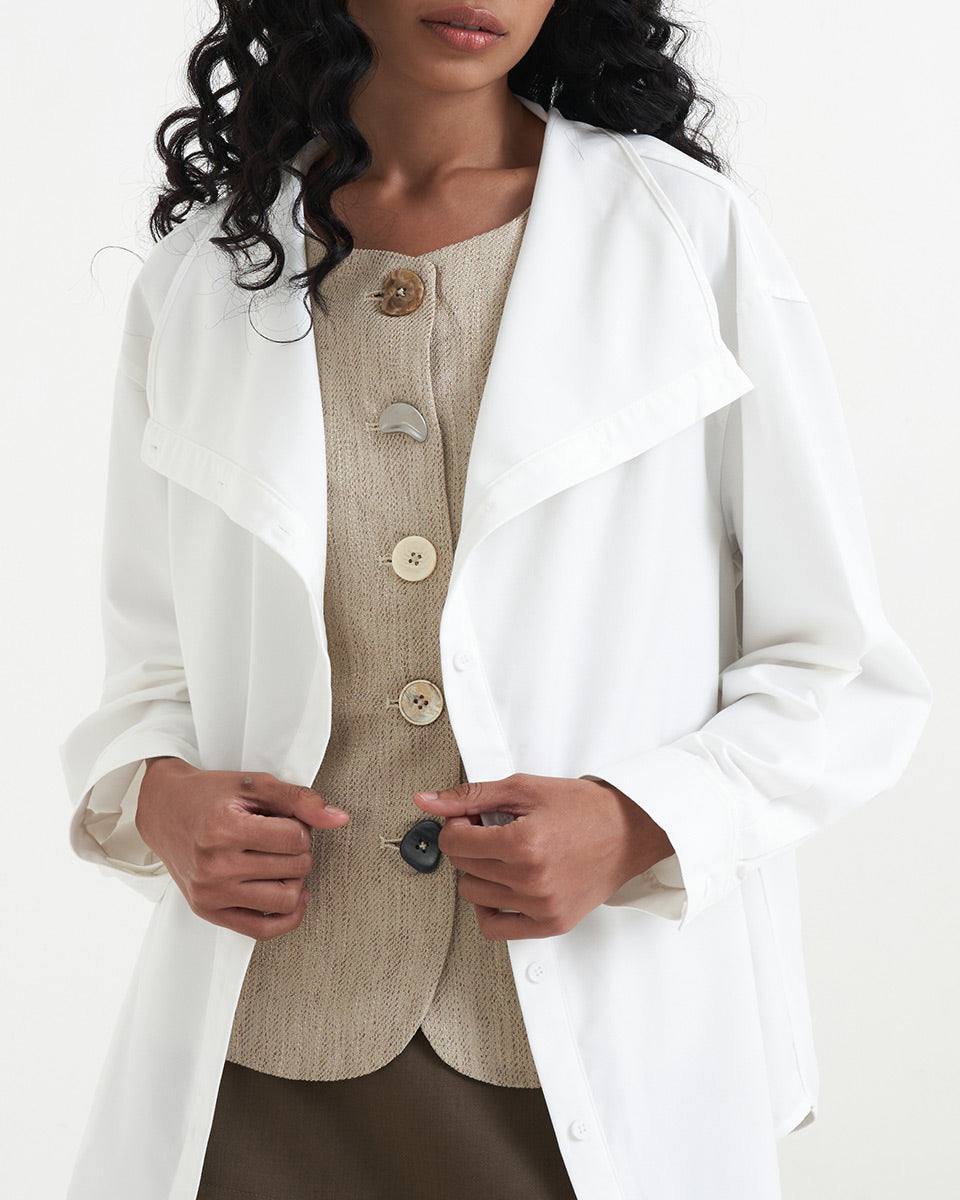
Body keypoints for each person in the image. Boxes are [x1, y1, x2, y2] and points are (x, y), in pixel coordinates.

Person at [61, 2, 931, 1198]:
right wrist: (158, 799)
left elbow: (837, 666)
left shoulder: (687, 236)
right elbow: (152, 665)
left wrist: (637, 821)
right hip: (261, 1061)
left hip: (585, 1060)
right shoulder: (205, 274)